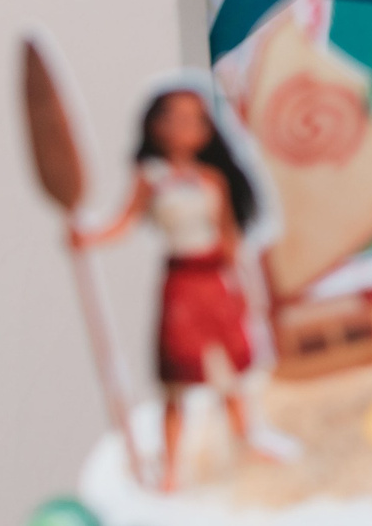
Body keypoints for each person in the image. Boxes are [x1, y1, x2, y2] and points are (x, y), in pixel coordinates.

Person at [70, 83, 267, 489]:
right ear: (155, 126)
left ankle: (246, 442)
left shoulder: (213, 179)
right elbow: (123, 222)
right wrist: (88, 237)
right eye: (174, 119)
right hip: (182, 284)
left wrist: (247, 286)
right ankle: (171, 468)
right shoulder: (152, 179)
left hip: (216, 280)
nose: (184, 128)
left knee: (228, 372)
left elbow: (229, 235)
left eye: (194, 119)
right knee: (177, 377)